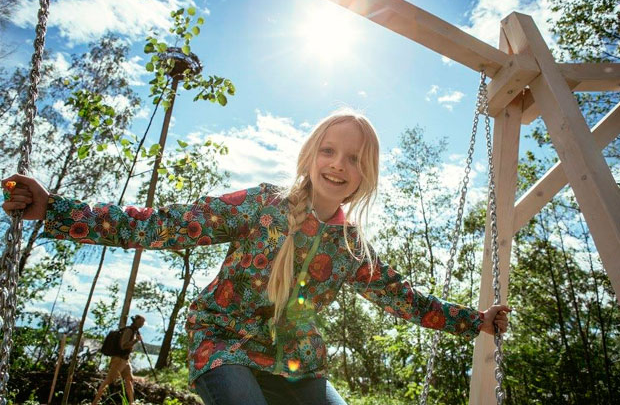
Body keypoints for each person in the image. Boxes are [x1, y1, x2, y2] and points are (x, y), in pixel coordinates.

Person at [3, 109, 510, 405]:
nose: (338, 165)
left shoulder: (352, 249)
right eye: (330, 151)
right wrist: (57, 210)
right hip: (223, 345)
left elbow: (407, 301)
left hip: (297, 365)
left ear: (366, 174)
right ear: (311, 156)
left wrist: (478, 322)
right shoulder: (261, 206)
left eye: (354, 158)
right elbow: (163, 225)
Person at [92, 314, 146, 405]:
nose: (143, 324)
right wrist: (136, 340)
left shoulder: (133, 331)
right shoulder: (129, 331)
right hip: (119, 360)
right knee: (108, 381)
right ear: (136, 321)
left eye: (143, 322)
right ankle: (94, 402)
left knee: (129, 379)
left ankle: (131, 403)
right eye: (141, 322)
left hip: (125, 360)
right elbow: (123, 346)